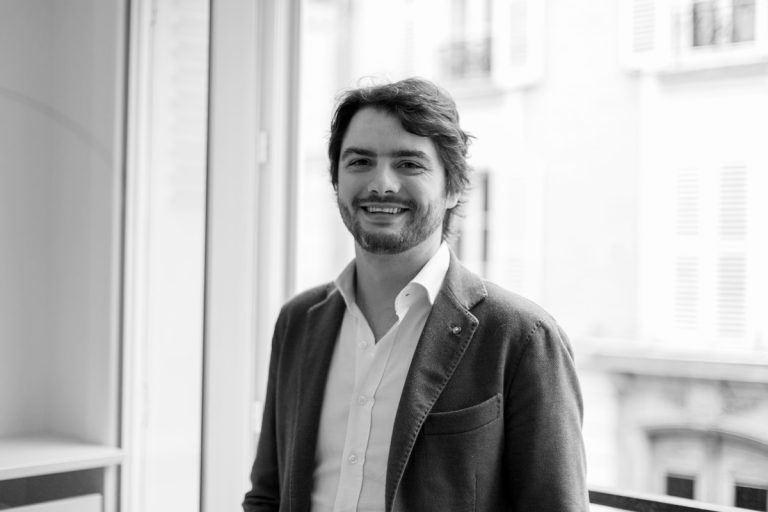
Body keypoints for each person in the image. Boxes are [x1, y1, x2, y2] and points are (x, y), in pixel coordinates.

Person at [243, 77, 588, 512]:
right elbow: (268, 495)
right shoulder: (298, 321)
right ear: (336, 181)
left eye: (409, 163)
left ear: (454, 187)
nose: (382, 184)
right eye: (360, 161)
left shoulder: (523, 338)